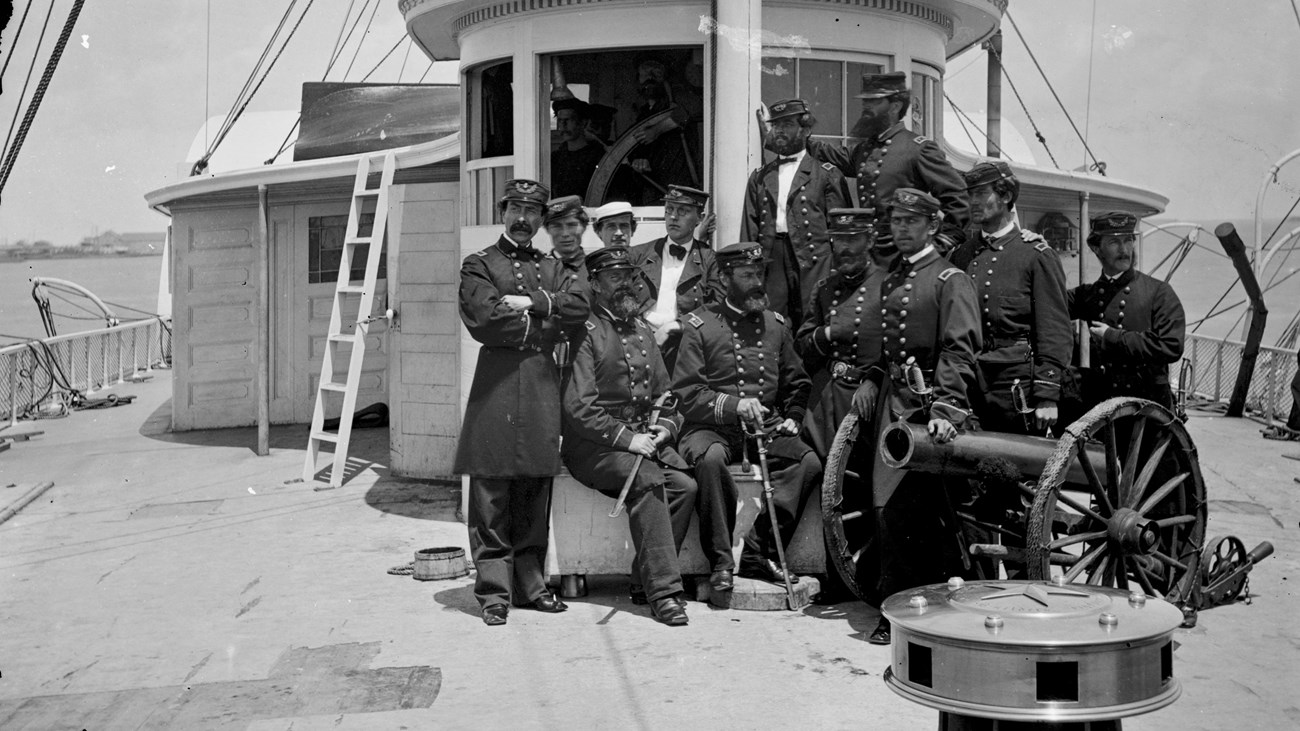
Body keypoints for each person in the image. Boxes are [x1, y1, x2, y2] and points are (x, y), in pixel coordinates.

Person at [453, 179, 590, 627]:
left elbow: (577, 310)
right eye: (516, 209)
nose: (524, 219)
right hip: (495, 385)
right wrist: (543, 324)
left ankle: (531, 586)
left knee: (534, 487)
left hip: (538, 386)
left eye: (533, 212)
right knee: (490, 492)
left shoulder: (552, 268)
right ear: (503, 210)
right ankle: (493, 592)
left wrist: (531, 303)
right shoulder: (479, 264)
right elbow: (484, 320)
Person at [867, 188, 981, 645]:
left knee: (912, 512)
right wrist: (872, 380)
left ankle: (909, 611)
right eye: (896, 221)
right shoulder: (894, 277)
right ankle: (895, 605)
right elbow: (888, 346)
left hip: (929, 410)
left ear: (932, 226)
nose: (901, 229)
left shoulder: (950, 279)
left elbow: (960, 347)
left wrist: (946, 407)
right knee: (884, 508)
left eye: (911, 222)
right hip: (893, 406)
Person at [673, 242, 821, 593]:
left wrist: (794, 417)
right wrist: (734, 404)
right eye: (747, 275)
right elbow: (687, 393)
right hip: (710, 426)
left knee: (808, 463)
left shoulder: (775, 325)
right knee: (710, 461)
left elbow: (797, 381)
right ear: (725, 278)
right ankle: (721, 561)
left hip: (763, 428)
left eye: (759, 274)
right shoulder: (700, 325)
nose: (757, 282)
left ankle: (759, 550)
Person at [561, 246, 698, 626]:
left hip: (643, 440)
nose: (628, 286)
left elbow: (666, 396)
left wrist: (664, 428)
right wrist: (627, 439)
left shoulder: (641, 329)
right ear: (595, 284)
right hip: (593, 448)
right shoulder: (584, 332)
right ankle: (665, 593)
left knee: (685, 485)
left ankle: (642, 580)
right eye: (616, 278)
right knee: (650, 477)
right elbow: (579, 408)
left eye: (631, 277)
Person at [949, 160, 1071, 435]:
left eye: (981, 193)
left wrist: (1047, 394)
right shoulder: (961, 255)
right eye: (970, 194)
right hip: (969, 382)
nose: (973, 202)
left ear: (1005, 196)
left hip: (1016, 389)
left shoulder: (1036, 255)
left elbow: (1054, 330)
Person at [804, 72, 969, 254]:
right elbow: (830, 154)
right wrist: (797, 133)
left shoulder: (919, 149)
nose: (866, 107)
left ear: (895, 106)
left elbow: (958, 198)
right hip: (870, 253)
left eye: (874, 102)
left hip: (905, 253)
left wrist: (937, 245)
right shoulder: (865, 150)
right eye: (865, 102)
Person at [742, 98, 853, 325]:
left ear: (806, 129)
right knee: (772, 321)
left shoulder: (827, 174)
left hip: (814, 260)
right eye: (776, 125)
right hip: (772, 259)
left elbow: (842, 231)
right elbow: (749, 231)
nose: (780, 131)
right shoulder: (759, 177)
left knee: (812, 319)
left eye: (788, 125)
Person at [794, 209, 890, 459]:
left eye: (852, 239)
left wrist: (874, 380)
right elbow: (802, 346)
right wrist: (827, 333)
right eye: (839, 240)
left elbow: (898, 349)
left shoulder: (889, 286)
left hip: (867, 400)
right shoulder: (825, 288)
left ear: (870, 241)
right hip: (825, 399)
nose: (844, 248)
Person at [1067, 211, 1186, 413]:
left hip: (1148, 408)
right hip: (1104, 406)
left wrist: (1112, 336)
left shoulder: (1159, 292)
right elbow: (1048, 303)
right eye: (1114, 242)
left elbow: (1171, 346)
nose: (1125, 249)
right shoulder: (1089, 295)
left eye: (1128, 240)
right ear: (1096, 248)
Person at [629, 185, 721, 369]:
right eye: (669, 209)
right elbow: (622, 297)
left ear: (699, 219)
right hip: (639, 345)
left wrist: (678, 326)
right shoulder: (638, 254)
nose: (673, 216)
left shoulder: (710, 260)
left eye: (683, 211)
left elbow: (717, 306)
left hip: (685, 347)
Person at [624, 59, 700, 205]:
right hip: (653, 187)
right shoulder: (644, 113)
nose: (649, 79)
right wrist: (639, 159)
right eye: (644, 75)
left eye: (654, 74)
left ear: (665, 78)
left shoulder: (677, 100)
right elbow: (636, 145)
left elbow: (693, 108)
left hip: (678, 187)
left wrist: (656, 130)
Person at [544, 195, 592, 381]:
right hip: (546, 367)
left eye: (572, 225)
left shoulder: (596, 271)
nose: (565, 233)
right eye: (557, 226)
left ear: (583, 227)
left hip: (589, 367)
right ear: (547, 229)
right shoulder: (537, 269)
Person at [550, 98, 605, 199]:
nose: (563, 126)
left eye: (568, 120)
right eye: (560, 121)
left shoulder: (598, 157)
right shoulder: (555, 158)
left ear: (583, 123)